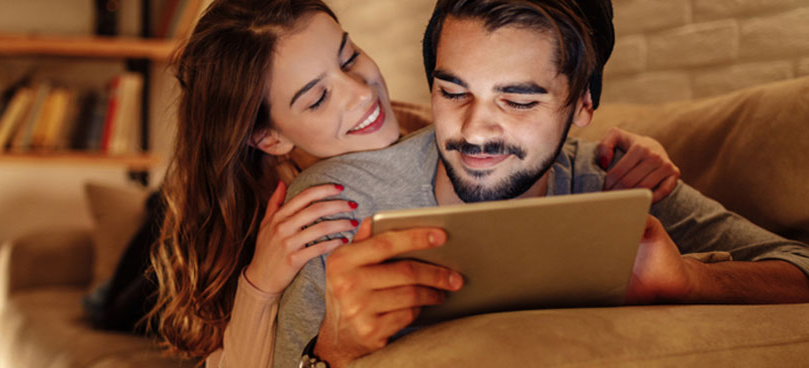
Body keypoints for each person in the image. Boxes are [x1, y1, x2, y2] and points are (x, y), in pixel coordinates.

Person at [273, 0, 809, 367]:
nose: (476, 129)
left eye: (519, 99)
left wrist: (692, 280)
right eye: (453, 91)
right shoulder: (340, 200)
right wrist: (333, 348)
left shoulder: (610, 182)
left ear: (582, 106)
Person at [145, 0, 681, 367]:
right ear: (270, 137)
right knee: (141, 277)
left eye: (349, 56)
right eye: (316, 97)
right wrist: (260, 283)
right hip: (206, 255)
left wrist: (642, 148)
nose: (359, 94)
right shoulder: (298, 210)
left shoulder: (437, 130)